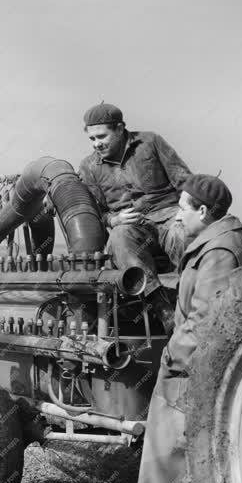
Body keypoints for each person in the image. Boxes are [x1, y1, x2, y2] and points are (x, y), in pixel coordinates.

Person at [125, 174, 242, 483]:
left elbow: (209, 324)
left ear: (203, 211)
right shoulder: (217, 244)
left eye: (182, 207)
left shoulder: (219, 252)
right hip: (190, 373)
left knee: (166, 465)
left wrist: (173, 355)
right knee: (174, 465)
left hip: (189, 375)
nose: (177, 215)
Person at [78, 103, 192, 334]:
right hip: (132, 228)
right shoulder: (89, 167)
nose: (96, 143)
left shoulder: (151, 142)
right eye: (91, 139)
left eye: (102, 136)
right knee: (119, 237)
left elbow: (184, 180)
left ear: (120, 129)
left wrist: (186, 210)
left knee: (185, 232)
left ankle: (193, 300)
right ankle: (164, 309)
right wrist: (112, 220)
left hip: (168, 216)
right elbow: (95, 212)